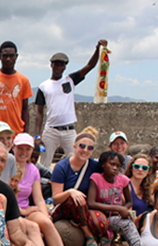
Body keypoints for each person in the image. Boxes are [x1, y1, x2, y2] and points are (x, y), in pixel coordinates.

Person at [12, 133, 87, 246]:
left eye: (27, 149)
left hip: (27, 209)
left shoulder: (33, 170)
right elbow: (6, 197)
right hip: (13, 211)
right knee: (33, 227)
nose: (23, 152)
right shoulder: (8, 167)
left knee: (45, 222)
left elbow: (39, 198)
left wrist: (46, 217)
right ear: (13, 148)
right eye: (20, 148)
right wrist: (23, 210)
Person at [35, 40, 109, 168]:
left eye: (61, 65)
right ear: (51, 65)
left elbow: (89, 66)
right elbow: (39, 112)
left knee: (77, 159)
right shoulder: (43, 86)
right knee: (45, 162)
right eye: (56, 64)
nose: (58, 68)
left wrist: (97, 49)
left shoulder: (70, 80)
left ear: (64, 67)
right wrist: (37, 135)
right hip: (51, 130)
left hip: (69, 130)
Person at [88, 151, 147, 246]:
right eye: (112, 164)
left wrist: (123, 210)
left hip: (117, 218)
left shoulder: (123, 180)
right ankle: (107, 235)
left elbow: (129, 202)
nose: (115, 168)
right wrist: (116, 208)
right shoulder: (96, 178)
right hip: (100, 217)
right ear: (103, 164)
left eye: (118, 166)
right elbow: (91, 203)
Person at [51, 127, 109, 246]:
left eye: (90, 148)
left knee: (100, 222)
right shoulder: (61, 167)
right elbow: (56, 198)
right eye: (82, 146)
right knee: (76, 198)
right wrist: (70, 192)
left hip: (84, 209)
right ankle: (88, 235)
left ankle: (101, 234)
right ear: (74, 147)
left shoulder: (94, 166)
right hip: (66, 207)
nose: (85, 150)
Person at [0, 41, 32, 139]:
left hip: (17, 132)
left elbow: (25, 109)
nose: (8, 59)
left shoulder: (23, 80)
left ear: (16, 56)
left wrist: (26, 133)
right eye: (5, 56)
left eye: (11, 56)